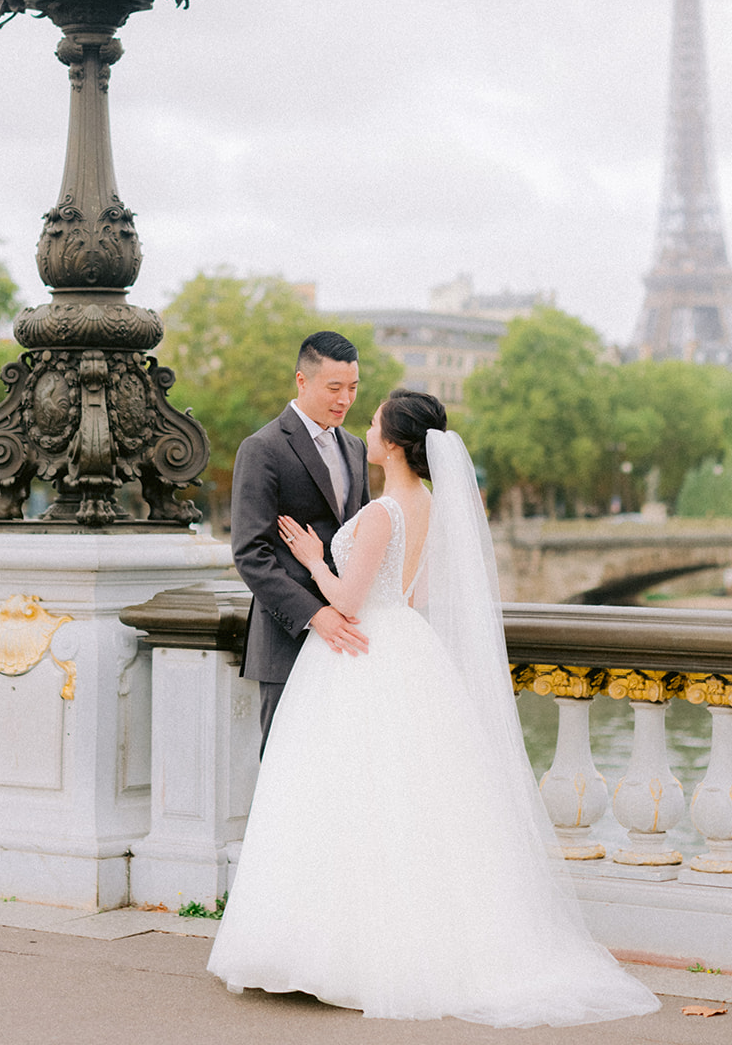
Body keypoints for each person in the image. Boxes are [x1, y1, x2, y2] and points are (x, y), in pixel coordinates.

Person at [208, 390, 661, 1028]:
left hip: (361, 652)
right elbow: (413, 592)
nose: (362, 425)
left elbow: (353, 600)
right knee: (415, 805)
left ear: (392, 443)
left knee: (344, 800)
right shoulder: (428, 505)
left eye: (372, 421)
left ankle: (335, 950)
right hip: (410, 649)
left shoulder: (380, 514)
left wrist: (313, 559)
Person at [229, 331, 372, 754]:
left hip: (348, 637)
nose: (345, 399)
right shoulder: (262, 448)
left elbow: (360, 538)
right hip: (286, 640)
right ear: (301, 381)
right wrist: (316, 615)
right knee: (284, 767)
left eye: (353, 388)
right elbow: (250, 554)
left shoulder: (356, 447)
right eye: (334, 388)